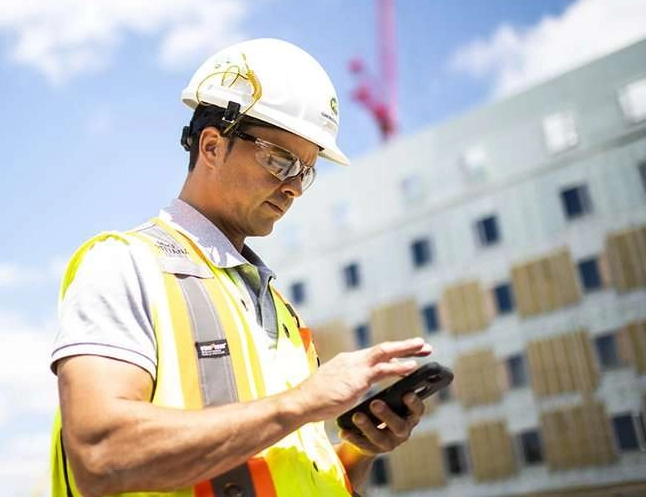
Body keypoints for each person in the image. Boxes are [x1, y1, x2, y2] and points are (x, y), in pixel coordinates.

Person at [50, 39, 432, 497]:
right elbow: (100, 454)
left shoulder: (281, 312)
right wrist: (299, 404)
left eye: (306, 171)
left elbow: (282, 468)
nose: (294, 187)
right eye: (280, 160)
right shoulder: (126, 264)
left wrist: (358, 451)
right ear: (211, 146)